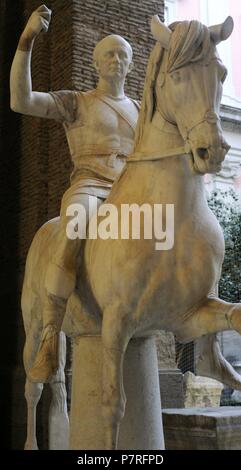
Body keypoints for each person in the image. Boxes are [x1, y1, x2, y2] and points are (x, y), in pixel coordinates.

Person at [10, 4, 139, 382]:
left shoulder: (141, 111)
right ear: (96, 64)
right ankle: (51, 330)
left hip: (129, 196)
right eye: (108, 55)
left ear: (131, 66)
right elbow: (22, 100)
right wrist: (27, 39)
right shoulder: (77, 102)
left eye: (123, 55)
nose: (116, 60)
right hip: (90, 188)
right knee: (73, 229)